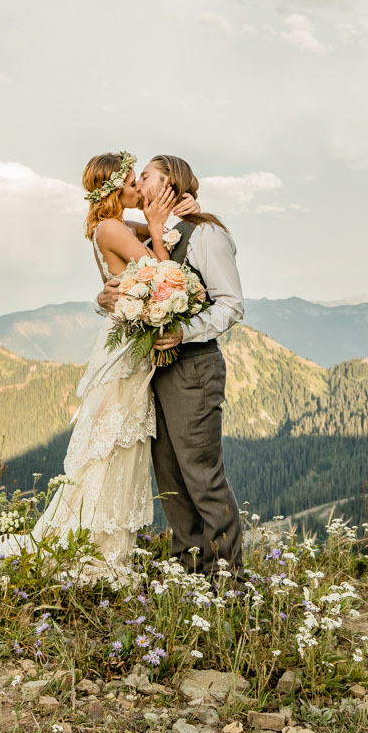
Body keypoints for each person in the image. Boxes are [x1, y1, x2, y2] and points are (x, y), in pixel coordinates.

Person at [0, 151, 184, 570]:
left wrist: (171, 214)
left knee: (115, 439)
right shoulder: (112, 227)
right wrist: (160, 232)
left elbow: (161, 233)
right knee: (112, 442)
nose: (137, 188)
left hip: (124, 340)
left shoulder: (112, 225)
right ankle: (94, 540)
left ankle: (104, 538)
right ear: (113, 189)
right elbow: (164, 273)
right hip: (127, 349)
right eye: (131, 182)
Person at [98, 154, 246, 578]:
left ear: (169, 185)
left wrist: (185, 332)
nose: (138, 182)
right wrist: (104, 299)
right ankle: (188, 565)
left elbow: (232, 305)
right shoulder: (154, 237)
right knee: (169, 475)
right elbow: (123, 276)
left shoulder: (206, 234)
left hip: (195, 366)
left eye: (145, 176)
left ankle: (227, 577)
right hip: (156, 370)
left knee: (201, 474)